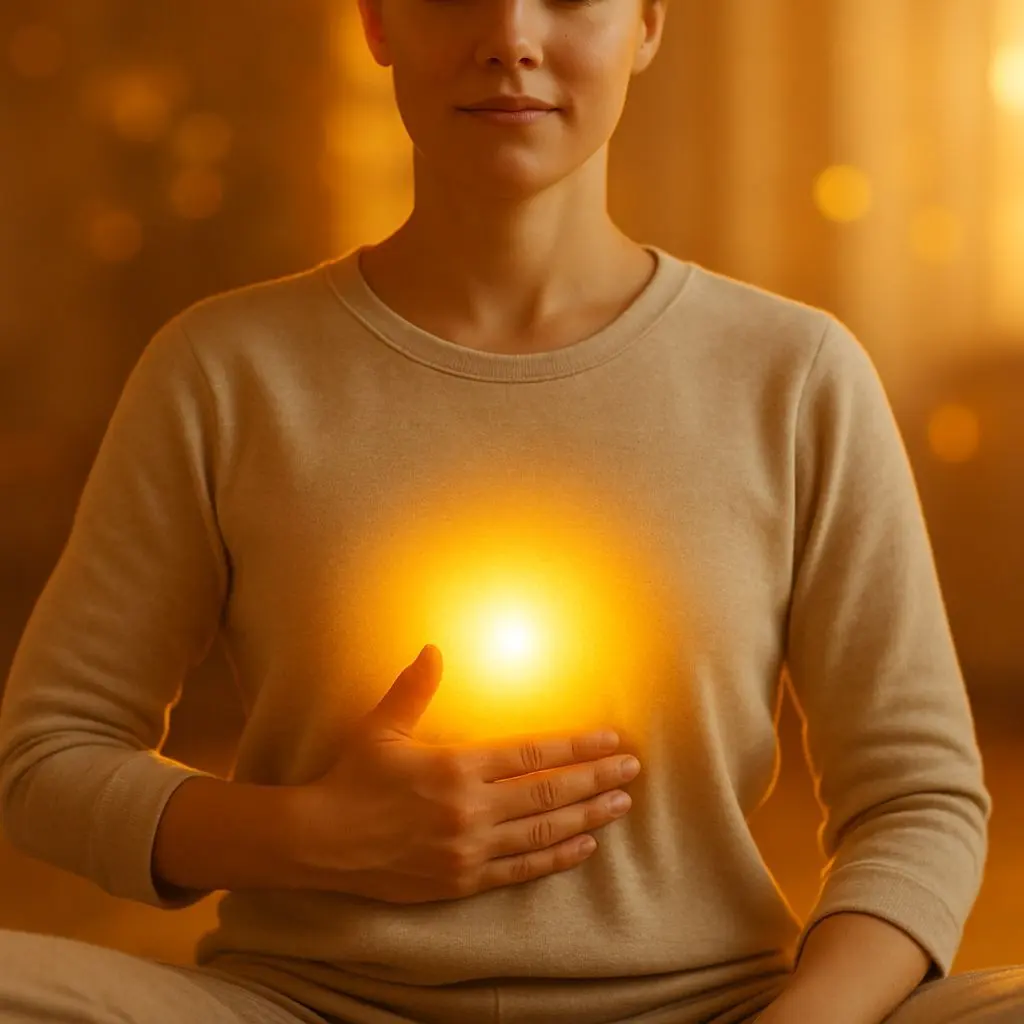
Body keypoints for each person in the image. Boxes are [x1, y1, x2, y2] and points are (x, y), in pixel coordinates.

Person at [0, 0, 1021, 1019]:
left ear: (650, 25)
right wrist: (311, 833)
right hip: (306, 1003)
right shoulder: (222, 370)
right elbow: (48, 754)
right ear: (378, 23)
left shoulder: (794, 375)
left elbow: (916, 798)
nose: (510, 38)